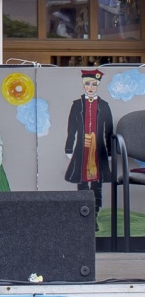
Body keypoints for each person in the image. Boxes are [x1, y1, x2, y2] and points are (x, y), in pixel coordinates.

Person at [64, 68, 113, 223]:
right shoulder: (77, 105)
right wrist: (69, 148)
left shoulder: (104, 105)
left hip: (98, 149)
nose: (90, 87)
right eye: (87, 84)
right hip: (82, 148)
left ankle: (95, 216)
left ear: (97, 85)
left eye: (94, 84)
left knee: (97, 184)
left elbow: (108, 130)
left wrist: (109, 151)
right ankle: (82, 217)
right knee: (82, 181)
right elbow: (71, 128)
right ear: (83, 85)